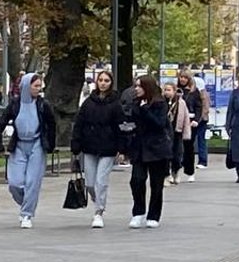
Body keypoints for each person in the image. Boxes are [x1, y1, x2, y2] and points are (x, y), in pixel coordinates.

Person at [0, 73, 57, 229]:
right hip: (19, 146)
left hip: (37, 146)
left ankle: (26, 214)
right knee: (15, 183)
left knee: (32, 182)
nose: (38, 89)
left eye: (40, 86)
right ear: (27, 86)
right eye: (36, 86)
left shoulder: (43, 105)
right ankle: (27, 201)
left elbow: (52, 124)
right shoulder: (15, 104)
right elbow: (0, 125)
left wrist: (50, 145)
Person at [71, 70, 121, 228]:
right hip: (90, 146)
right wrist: (76, 143)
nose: (103, 83)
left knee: (101, 181)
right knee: (90, 183)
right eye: (101, 80)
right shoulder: (88, 102)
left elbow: (120, 127)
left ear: (111, 83)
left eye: (107, 80)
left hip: (108, 147)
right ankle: (97, 200)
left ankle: (98, 212)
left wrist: (122, 148)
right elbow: (79, 124)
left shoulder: (115, 103)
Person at [127, 75, 172, 229]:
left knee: (156, 183)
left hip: (157, 148)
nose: (136, 89)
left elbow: (159, 124)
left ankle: (153, 215)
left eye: (139, 86)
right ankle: (138, 212)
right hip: (139, 147)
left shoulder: (159, 103)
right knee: (137, 180)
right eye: (136, 86)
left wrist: (145, 110)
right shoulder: (135, 103)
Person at [163, 83, 193, 185]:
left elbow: (186, 118)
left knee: (177, 155)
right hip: (165, 133)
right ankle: (166, 175)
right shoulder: (162, 102)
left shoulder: (181, 103)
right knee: (166, 155)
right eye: (165, 90)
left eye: (169, 90)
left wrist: (186, 133)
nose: (167, 92)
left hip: (177, 132)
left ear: (175, 91)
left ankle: (175, 171)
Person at [180, 72, 209, 170]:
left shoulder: (198, 93)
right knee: (190, 141)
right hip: (191, 120)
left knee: (200, 139)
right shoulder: (183, 91)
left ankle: (202, 160)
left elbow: (203, 107)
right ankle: (186, 160)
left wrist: (198, 119)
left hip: (199, 120)